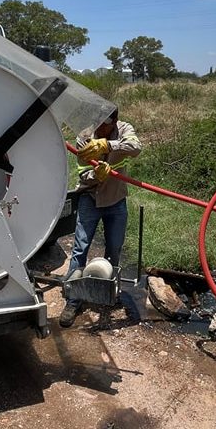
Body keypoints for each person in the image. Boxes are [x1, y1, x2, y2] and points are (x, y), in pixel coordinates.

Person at [59, 107, 142, 328]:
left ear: (114, 122)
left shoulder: (124, 129)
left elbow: (135, 147)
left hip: (116, 199)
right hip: (90, 198)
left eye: (106, 126)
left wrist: (108, 145)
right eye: (98, 125)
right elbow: (82, 173)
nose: (101, 129)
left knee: (114, 249)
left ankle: (108, 293)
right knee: (80, 249)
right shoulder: (84, 136)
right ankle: (73, 300)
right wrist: (95, 174)